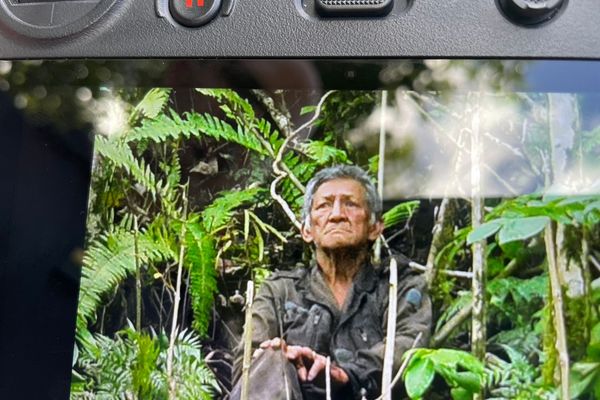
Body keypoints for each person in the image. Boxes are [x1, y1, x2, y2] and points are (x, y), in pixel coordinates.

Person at [230, 165, 432, 400]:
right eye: (325, 205)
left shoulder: (399, 287)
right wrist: (280, 355)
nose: (337, 214)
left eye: (351, 204)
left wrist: (345, 375)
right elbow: (246, 369)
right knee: (271, 356)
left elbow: (410, 347)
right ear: (307, 229)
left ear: (375, 227)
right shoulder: (279, 291)